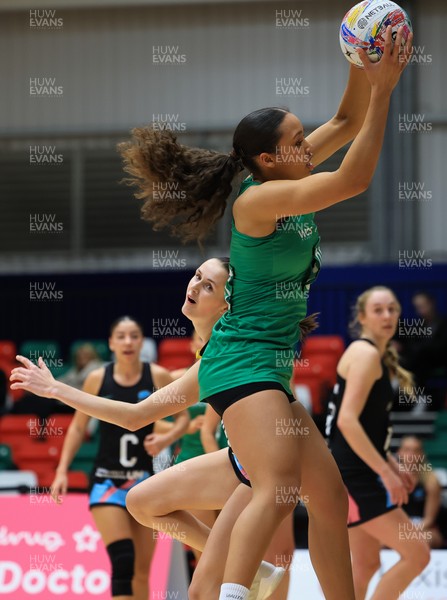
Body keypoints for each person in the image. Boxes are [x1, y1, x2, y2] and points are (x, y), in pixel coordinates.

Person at [11, 27, 413, 600]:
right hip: (245, 365)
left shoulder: (287, 169)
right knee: (276, 487)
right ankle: (236, 591)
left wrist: (359, 58)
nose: (310, 140)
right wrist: (386, 89)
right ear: (271, 157)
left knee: (326, 499)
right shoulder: (259, 199)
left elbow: (346, 125)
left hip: (262, 368)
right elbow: (356, 177)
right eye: (300, 137)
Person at [50, 316, 189, 600]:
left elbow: (183, 419)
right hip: (106, 481)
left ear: (142, 342)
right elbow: (78, 427)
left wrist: (166, 437)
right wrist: (62, 470)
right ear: (111, 343)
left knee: (141, 571)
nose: (128, 342)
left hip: (144, 483)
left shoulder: (158, 376)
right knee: (123, 562)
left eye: (134, 336)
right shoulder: (98, 378)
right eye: (122, 336)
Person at [326, 287, 431, 600]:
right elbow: (347, 421)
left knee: (365, 566)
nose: (387, 316)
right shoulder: (365, 354)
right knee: (418, 554)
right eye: (378, 310)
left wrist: (392, 465)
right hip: (354, 477)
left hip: (349, 472)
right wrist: (385, 474)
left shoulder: (373, 355)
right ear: (362, 318)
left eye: (392, 309)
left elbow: (370, 430)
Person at [398, 435, 444, 549]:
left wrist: (409, 533)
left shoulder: (431, 481)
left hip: (426, 529)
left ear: (422, 455)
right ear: (400, 453)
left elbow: (429, 519)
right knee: (376, 540)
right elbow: (390, 516)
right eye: (407, 450)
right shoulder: (391, 481)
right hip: (399, 527)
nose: (411, 455)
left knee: (423, 539)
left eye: (416, 451)